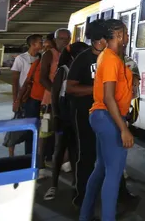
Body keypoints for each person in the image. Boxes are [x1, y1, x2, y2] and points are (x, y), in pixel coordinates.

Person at [67, 22, 136, 210]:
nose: (127, 37)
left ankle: (91, 209)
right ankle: (85, 200)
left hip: (104, 114)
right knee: (94, 160)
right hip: (97, 114)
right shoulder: (96, 59)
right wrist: (100, 88)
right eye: (126, 33)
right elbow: (73, 88)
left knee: (104, 166)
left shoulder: (112, 57)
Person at [42, 28, 73, 201]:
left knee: (62, 141)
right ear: (55, 39)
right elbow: (42, 77)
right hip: (50, 103)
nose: (64, 41)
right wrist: (56, 91)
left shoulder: (70, 56)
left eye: (67, 38)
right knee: (46, 134)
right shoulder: (49, 55)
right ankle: (40, 166)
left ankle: (65, 163)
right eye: (61, 38)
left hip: (65, 105)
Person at [11, 34, 42, 156]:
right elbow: (15, 81)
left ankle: (35, 152)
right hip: (25, 97)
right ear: (33, 44)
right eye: (40, 42)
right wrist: (16, 100)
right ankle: (28, 154)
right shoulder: (21, 59)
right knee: (28, 125)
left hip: (37, 96)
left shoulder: (42, 58)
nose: (42, 44)